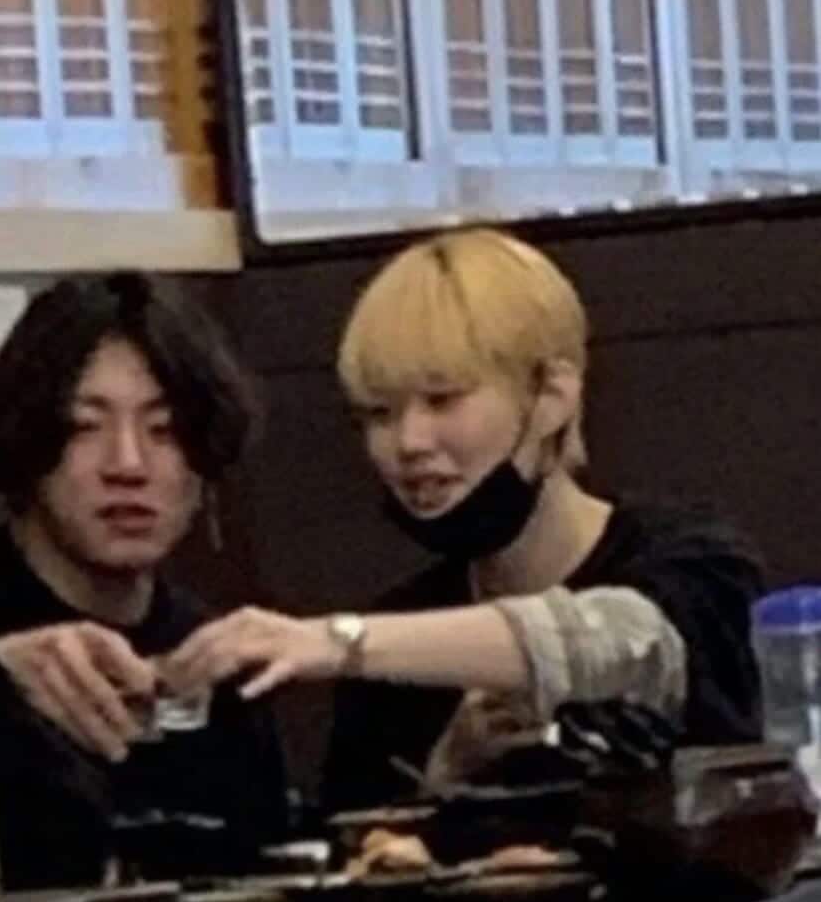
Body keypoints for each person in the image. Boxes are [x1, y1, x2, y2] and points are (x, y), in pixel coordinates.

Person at [161, 229, 763, 811]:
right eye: (379, 413)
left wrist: (336, 642)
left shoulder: (692, 565)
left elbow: (625, 637)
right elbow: (362, 845)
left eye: (442, 398)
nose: (409, 442)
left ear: (552, 396)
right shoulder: (390, 661)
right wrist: (445, 775)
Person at [0, 274, 287, 889]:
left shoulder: (210, 654)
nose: (128, 465)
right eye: (84, 426)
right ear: (26, 438)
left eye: (164, 430)